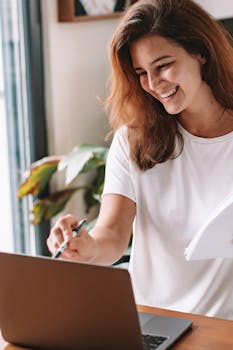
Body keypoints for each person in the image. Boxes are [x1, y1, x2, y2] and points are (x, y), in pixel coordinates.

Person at [47, 0, 233, 320]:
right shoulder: (134, 140)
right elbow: (112, 235)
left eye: (163, 65)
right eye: (141, 73)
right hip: (152, 322)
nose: (153, 83)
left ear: (200, 52)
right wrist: (86, 246)